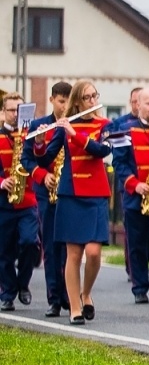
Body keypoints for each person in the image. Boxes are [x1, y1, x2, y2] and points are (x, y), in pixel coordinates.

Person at [39, 81, 113, 325]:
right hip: (71, 193)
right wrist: (39, 142)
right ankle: (74, 307)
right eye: (87, 97)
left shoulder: (105, 125)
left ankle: (86, 292)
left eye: (95, 96)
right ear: (77, 102)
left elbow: (102, 151)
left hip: (96, 192)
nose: (92, 101)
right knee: (73, 253)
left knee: (93, 253)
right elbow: (46, 156)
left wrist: (75, 134)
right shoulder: (65, 126)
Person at [110, 87, 149, 305]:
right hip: (135, 194)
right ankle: (139, 287)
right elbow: (118, 162)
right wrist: (134, 184)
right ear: (137, 105)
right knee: (136, 242)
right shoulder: (123, 130)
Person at [27, 81, 73, 317]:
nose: (65, 106)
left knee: (70, 248)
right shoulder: (38, 125)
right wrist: (43, 176)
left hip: (69, 192)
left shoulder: (74, 126)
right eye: (61, 101)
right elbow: (27, 159)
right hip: (47, 192)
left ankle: (69, 294)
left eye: (68, 101)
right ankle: (54, 298)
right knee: (50, 247)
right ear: (52, 100)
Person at [0, 93, 42, 312]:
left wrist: (39, 143)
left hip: (27, 200)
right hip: (3, 203)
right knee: (4, 251)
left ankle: (23, 283)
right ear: (3, 113)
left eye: (19, 110)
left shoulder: (29, 135)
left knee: (29, 243)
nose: (15, 115)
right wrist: (1, 181)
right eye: (11, 110)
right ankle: (7, 293)